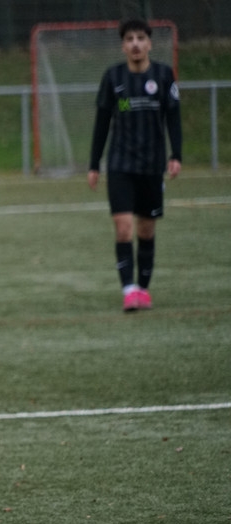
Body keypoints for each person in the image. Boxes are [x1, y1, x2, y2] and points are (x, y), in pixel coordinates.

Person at [88, 17, 181, 312]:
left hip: (152, 166)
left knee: (146, 230)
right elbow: (102, 123)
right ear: (123, 46)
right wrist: (94, 164)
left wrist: (176, 155)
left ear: (150, 43)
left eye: (141, 38)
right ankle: (128, 290)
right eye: (129, 39)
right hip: (120, 165)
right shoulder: (113, 78)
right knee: (123, 227)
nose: (135, 44)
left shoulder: (164, 76)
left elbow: (173, 118)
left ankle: (143, 288)